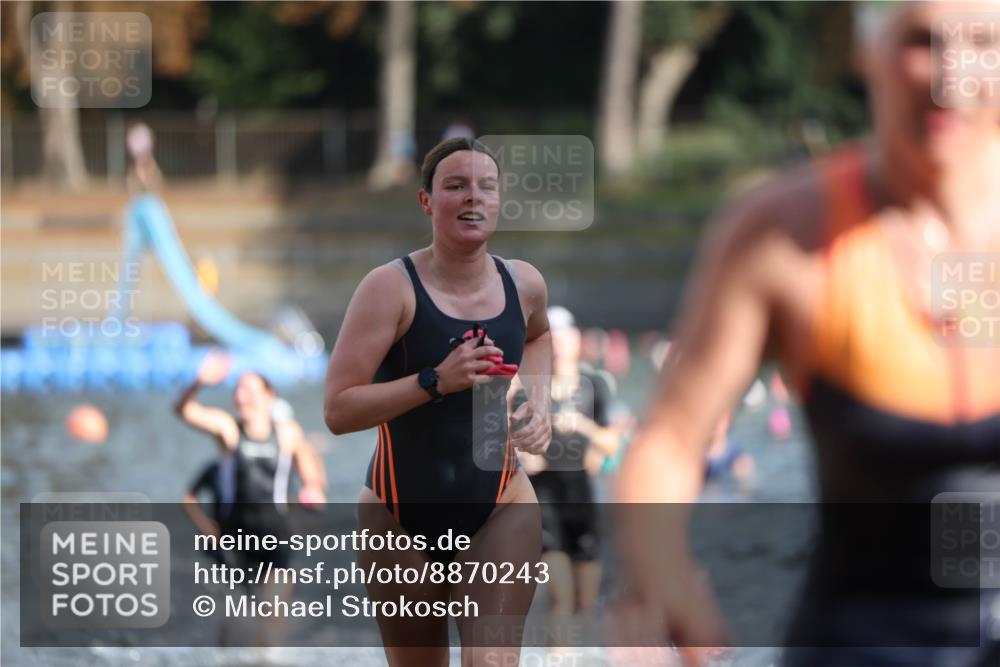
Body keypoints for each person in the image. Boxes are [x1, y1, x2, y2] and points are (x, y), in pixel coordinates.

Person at [615, 3, 1000, 666]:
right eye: (923, 42)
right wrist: (659, 569)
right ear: (867, 51)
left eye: (984, 42)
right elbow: (671, 438)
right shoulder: (784, 235)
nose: (952, 75)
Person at [323, 137, 553, 667]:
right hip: (398, 517)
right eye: (456, 186)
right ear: (427, 201)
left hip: (500, 506)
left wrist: (538, 401)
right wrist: (434, 381)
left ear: (498, 200)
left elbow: (539, 336)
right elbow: (337, 410)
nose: (473, 197)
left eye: (486, 187)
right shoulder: (389, 289)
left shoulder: (524, 284)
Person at [176, 351, 327, 645]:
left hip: (276, 537)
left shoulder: (288, 433)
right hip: (234, 540)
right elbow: (183, 411)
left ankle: (271, 660)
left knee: (272, 622)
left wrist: (313, 487)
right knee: (234, 625)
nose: (242, 396)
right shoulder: (227, 429)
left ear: (269, 397)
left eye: (249, 389)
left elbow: (310, 470)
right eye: (238, 390)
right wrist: (199, 382)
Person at [522, 305, 626, 620]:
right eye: (552, 338)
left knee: (587, 603)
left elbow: (611, 444)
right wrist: (529, 450)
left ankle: (579, 646)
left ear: (576, 340)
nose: (559, 345)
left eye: (565, 337)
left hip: (582, 499)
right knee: (562, 597)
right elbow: (521, 454)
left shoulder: (593, 386)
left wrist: (582, 426)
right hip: (544, 501)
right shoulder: (529, 390)